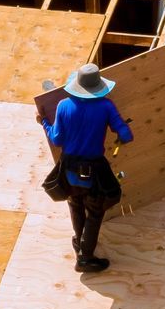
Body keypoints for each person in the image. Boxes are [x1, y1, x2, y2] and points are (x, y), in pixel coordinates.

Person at [43, 63, 133, 272]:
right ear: (98, 87)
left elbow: (57, 139)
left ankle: (79, 241)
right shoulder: (106, 106)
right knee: (95, 209)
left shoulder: (63, 105)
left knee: (75, 203)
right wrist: (120, 135)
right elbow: (127, 136)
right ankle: (85, 257)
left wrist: (44, 123)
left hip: (68, 167)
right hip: (94, 168)